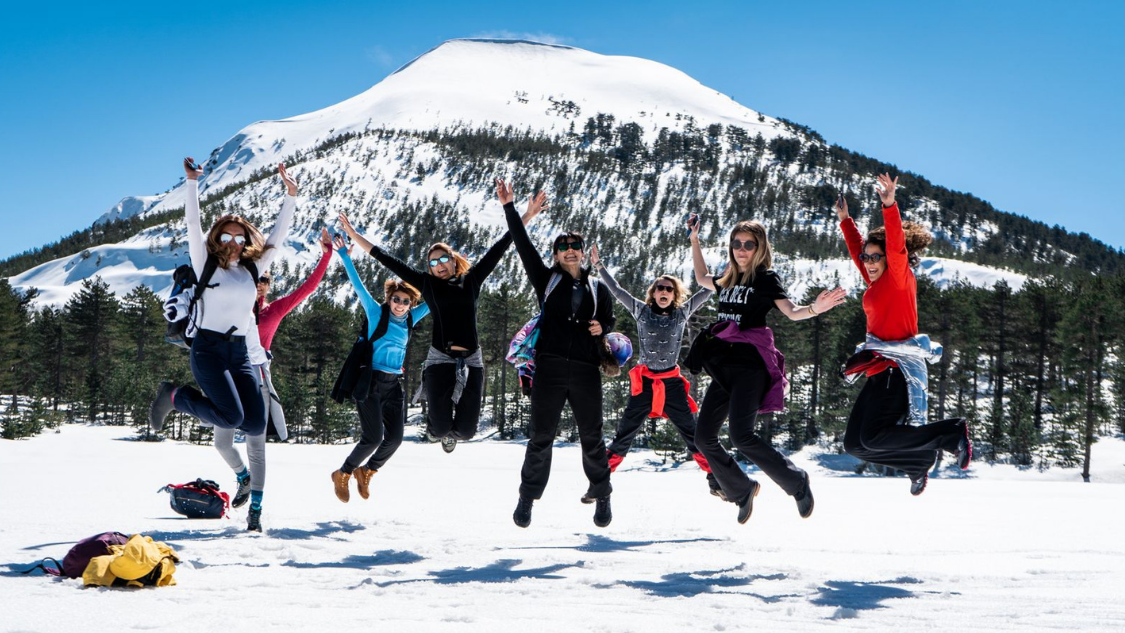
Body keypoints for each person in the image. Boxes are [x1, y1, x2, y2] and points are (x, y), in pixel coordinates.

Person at [148, 157, 298, 532]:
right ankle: (174, 396)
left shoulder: (252, 268)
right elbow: (193, 223)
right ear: (218, 239)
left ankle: (253, 496)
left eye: (239, 237)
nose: (233, 242)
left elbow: (277, 238)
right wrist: (192, 184)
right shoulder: (206, 264)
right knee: (230, 417)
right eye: (226, 236)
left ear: (247, 240)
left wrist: (291, 196)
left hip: (239, 353)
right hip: (209, 350)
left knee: (254, 423)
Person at [336, 195, 536, 454]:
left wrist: (527, 216)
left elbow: (501, 247)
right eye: (433, 262)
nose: (439, 265)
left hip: (472, 360)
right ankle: (439, 430)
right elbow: (385, 258)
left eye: (443, 259)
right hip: (440, 359)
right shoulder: (428, 285)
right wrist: (353, 233)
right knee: (439, 429)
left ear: (453, 261)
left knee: (466, 431)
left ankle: (451, 433)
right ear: (429, 270)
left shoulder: (472, 279)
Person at [688, 213, 846, 524]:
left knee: (742, 435)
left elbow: (791, 312)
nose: (741, 249)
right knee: (703, 437)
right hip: (724, 367)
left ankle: (796, 482)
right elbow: (702, 278)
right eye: (736, 244)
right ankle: (740, 488)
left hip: (750, 366)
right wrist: (695, 241)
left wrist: (816, 308)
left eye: (748, 244)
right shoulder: (728, 277)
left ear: (760, 247)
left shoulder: (765, 278)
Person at [837, 174, 972, 496]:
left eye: (875, 257)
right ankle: (916, 463)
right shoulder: (876, 281)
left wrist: (889, 204)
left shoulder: (899, 277)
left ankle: (952, 432)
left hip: (897, 370)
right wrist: (845, 221)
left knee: (872, 437)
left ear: (890, 258)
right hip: (879, 369)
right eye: (866, 258)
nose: (867, 262)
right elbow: (859, 250)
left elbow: (895, 244)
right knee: (855, 444)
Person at [501, 179, 616, 528]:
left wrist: (600, 328)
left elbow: (608, 321)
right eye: (563, 246)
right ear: (555, 254)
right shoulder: (546, 279)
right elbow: (522, 246)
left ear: (582, 251)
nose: (569, 250)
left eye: (575, 245)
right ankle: (527, 497)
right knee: (540, 437)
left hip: (585, 369)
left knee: (592, 436)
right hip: (549, 368)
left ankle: (603, 493)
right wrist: (511, 208)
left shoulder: (598, 287)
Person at [587, 243, 721, 498]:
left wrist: (731, 274)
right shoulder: (641, 311)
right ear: (653, 293)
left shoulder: (681, 314)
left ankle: (716, 480)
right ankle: (599, 483)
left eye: (668, 288)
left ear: (674, 294)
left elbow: (707, 290)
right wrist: (599, 266)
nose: (663, 291)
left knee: (693, 435)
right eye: (659, 287)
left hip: (671, 385)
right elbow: (616, 291)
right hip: (645, 384)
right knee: (624, 434)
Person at [329, 235, 429, 502]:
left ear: (411, 304)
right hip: (370, 383)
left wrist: (450, 280)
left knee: (394, 440)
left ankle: (368, 471)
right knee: (373, 438)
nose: (400, 304)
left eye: (406, 301)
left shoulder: (411, 318)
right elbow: (359, 286)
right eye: (396, 299)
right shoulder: (376, 313)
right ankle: (343, 473)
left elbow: (435, 300)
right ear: (389, 298)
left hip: (394, 386)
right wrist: (344, 256)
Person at [249, 227, 334, 442]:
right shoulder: (236, 306)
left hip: (259, 375)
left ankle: (251, 476)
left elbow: (308, 288)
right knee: (224, 433)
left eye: (265, 280)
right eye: (256, 278)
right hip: (232, 369)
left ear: (269, 286)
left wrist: (326, 256)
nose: (260, 284)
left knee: (258, 433)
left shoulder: (274, 309)